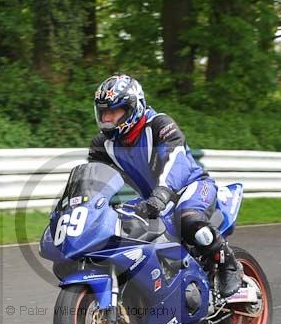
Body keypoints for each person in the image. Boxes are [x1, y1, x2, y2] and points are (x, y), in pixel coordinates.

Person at [87, 73, 243, 297]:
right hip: (152, 200)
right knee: (120, 234)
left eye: (113, 112)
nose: (107, 118)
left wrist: (161, 195)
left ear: (133, 108)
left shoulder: (160, 125)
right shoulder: (103, 144)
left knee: (189, 221)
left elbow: (174, 161)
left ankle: (229, 263)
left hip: (190, 187)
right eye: (104, 113)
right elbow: (94, 180)